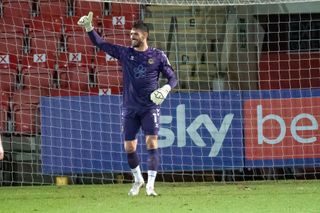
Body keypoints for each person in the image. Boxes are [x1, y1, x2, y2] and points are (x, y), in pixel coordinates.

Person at [78, 12, 177, 196]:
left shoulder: (158, 55)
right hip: (130, 107)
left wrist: (165, 89)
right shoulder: (125, 53)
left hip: (149, 107)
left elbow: (173, 77)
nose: (132, 37)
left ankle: (150, 185)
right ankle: (138, 179)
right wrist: (89, 28)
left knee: (151, 141)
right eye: (131, 34)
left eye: (135, 35)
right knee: (129, 146)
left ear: (144, 35)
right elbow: (101, 44)